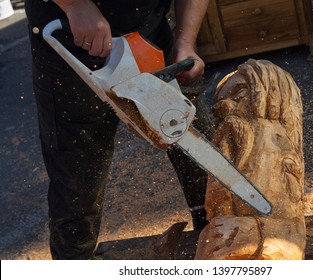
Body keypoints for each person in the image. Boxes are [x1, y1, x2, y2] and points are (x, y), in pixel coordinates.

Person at [24, 0, 210, 260]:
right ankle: (74, 262)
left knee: (203, 163)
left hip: (148, 34)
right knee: (76, 184)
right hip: (69, 39)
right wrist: (76, 6)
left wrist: (186, 40)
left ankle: (217, 242)